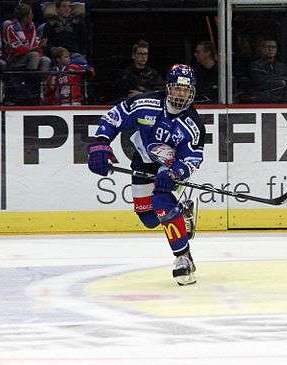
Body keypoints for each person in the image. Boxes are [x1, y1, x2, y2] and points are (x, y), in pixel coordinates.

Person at [87, 64, 204, 286]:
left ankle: (183, 258)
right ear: (168, 88)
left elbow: (192, 159)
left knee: (161, 201)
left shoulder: (192, 125)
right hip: (144, 159)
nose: (181, 94)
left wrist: (174, 172)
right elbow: (114, 117)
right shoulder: (145, 103)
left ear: (192, 92)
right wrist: (100, 143)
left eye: (186, 90)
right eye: (177, 88)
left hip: (171, 167)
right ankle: (183, 212)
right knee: (149, 219)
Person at [3, 2, 50, 71]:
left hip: (29, 56)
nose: (32, 16)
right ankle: (30, 80)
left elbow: (36, 45)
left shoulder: (32, 28)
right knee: (34, 55)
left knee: (46, 60)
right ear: (25, 17)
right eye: (31, 14)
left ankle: (40, 81)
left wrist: (40, 45)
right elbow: (17, 49)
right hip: (15, 59)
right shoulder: (11, 28)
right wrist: (36, 47)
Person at [248, 37, 287, 102]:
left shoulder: (282, 66)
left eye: (273, 47)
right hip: (262, 100)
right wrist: (281, 81)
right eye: (267, 47)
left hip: (282, 99)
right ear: (261, 49)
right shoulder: (255, 66)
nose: (270, 49)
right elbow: (261, 83)